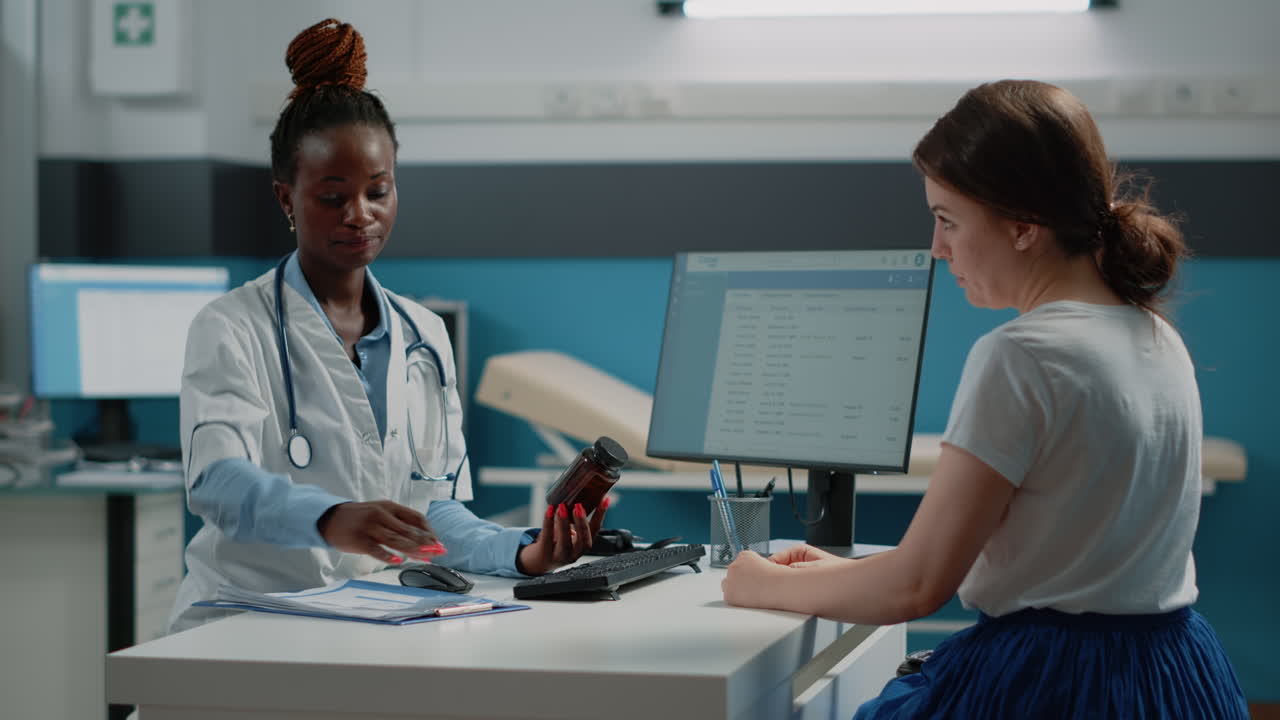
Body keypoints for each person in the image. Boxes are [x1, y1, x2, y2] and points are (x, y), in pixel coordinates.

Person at [720, 80, 1248, 718]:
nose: (938, 248)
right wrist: (826, 574)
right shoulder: (1154, 333)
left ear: (1023, 226)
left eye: (948, 221)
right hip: (1170, 673)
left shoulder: (1020, 355)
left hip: (1053, 683)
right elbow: (1056, 557)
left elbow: (919, 585)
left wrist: (765, 582)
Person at [168, 18, 604, 633]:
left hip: (365, 622)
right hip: (240, 620)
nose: (360, 216)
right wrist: (329, 517)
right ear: (285, 198)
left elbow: (434, 518)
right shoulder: (231, 327)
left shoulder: (424, 336)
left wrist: (527, 554)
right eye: (331, 196)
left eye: (379, 190)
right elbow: (217, 483)